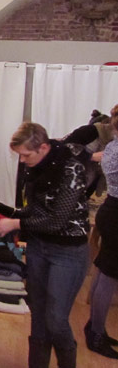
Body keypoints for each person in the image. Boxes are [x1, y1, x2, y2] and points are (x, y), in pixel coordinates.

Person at [0, 122, 89, 368]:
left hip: (68, 252)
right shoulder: (35, 168)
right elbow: (34, 209)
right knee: (38, 316)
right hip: (39, 247)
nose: (22, 161)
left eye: (26, 155)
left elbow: (57, 220)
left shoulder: (72, 168)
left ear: (43, 147)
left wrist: (15, 224)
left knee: (56, 319)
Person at [85, 104, 118, 359]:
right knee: (109, 273)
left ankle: (95, 326)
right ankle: (96, 332)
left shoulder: (112, 147)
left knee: (104, 268)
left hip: (111, 210)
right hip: (116, 214)